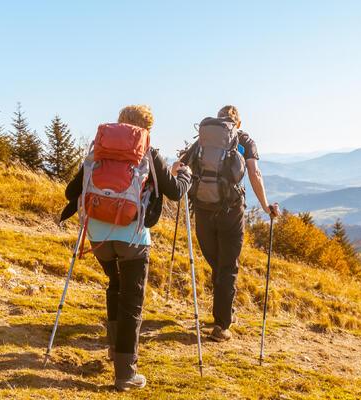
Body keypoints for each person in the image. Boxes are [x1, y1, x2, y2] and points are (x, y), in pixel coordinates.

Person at [59, 105, 191, 391]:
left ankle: (114, 349)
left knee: (115, 285)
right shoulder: (148, 152)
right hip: (133, 239)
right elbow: (175, 192)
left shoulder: (99, 151)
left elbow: (71, 192)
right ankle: (125, 374)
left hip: (98, 239)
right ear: (145, 129)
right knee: (132, 301)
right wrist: (184, 175)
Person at [177, 105, 280, 342]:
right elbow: (255, 173)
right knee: (228, 267)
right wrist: (265, 206)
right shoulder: (243, 140)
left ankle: (224, 313)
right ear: (238, 123)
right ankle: (222, 325)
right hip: (231, 211)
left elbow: (179, 166)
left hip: (203, 209)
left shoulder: (202, 140)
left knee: (218, 265)